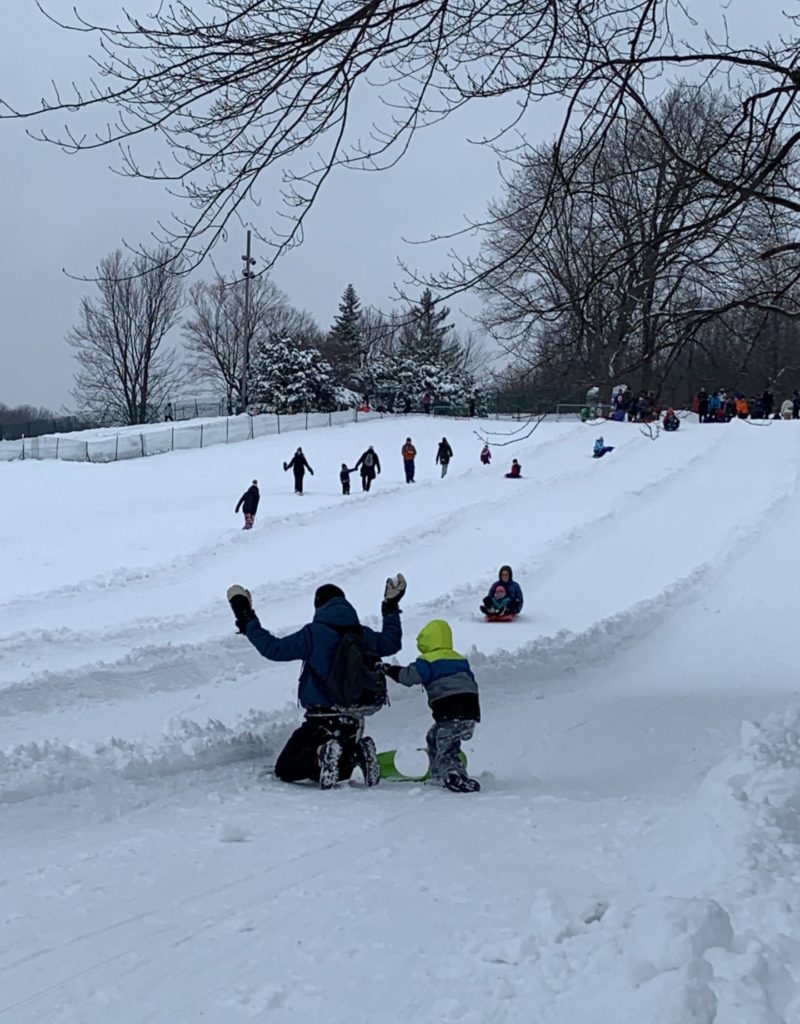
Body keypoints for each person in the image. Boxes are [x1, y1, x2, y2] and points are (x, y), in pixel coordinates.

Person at [226, 575, 406, 789]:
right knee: (339, 769)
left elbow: (273, 649)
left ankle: (321, 755)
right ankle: (357, 752)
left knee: (286, 767)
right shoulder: (363, 635)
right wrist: (390, 605)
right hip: (353, 720)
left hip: (321, 719)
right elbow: (392, 642)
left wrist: (246, 616)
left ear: (319, 606)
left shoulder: (313, 634)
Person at [384, 619, 481, 793]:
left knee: (446, 748)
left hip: (450, 711)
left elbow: (408, 677)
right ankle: (439, 775)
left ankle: (453, 774)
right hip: (470, 710)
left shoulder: (427, 661)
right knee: (434, 736)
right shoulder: (459, 659)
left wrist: (389, 670)